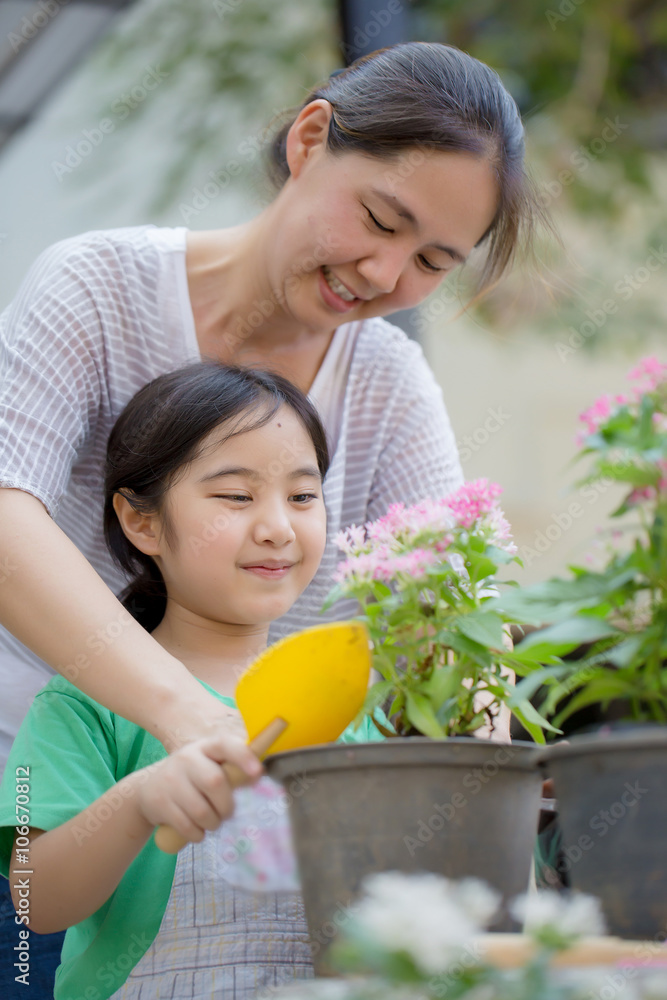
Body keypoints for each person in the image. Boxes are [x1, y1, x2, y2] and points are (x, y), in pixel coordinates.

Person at [0, 40, 543, 990]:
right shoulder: (95, 288)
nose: (382, 274)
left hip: (294, 875)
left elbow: (463, 606)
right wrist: (189, 722)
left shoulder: (386, 382)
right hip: (77, 830)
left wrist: (485, 795)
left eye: (430, 261)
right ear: (309, 138)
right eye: (378, 218)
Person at [0, 362, 384, 1000]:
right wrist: (140, 802)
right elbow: (33, 901)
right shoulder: (83, 702)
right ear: (142, 523)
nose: (278, 528)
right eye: (236, 496)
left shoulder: (346, 692)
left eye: (302, 495)